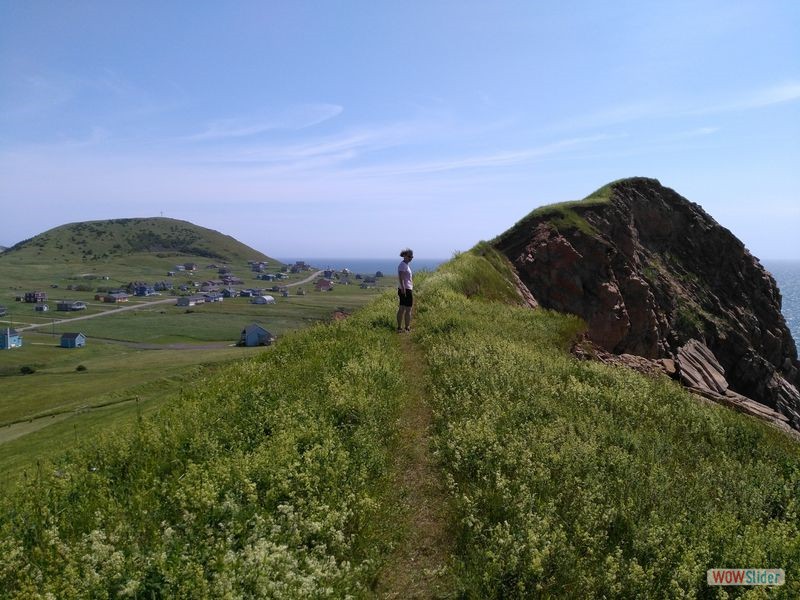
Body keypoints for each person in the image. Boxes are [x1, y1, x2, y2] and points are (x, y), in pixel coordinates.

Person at [397, 248, 413, 333]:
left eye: (412, 256)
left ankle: (400, 328)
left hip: (404, 289)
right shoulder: (403, 265)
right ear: (404, 256)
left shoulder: (405, 265)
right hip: (405, 289)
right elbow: (401, 277)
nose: (411, 258)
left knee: (402, 308)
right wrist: (403, 288)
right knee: (408, 309)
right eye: (409, 256)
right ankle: (407, 328)